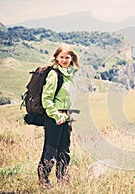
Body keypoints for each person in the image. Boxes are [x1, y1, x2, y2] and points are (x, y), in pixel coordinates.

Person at [37, 43, 80, 189]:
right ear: (56, 58)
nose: (64, 60)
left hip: (66, 117)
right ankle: (44, 181)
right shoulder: (54, 74)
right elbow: (46, 99)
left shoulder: (69, 74)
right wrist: (56, 115)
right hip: (54, 118)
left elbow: (68, 96)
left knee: (65, 150)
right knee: (51, 150)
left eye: (67, 57)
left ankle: (63, 180)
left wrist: (69, 114)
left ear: (72, 58)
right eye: (61, 57)